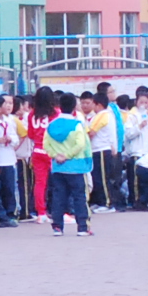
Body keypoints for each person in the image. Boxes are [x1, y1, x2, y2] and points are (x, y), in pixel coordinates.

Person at [43, 93, 94, 236]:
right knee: (79, 197)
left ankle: (57, 227)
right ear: (73, 107)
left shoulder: (51, 125)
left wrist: (56, 156)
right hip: (76, 166)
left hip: (58, 167)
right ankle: (83, 227)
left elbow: (45, 145)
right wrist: (67, 155)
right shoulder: (77, 125)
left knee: (59, 197)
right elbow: (81, 144)